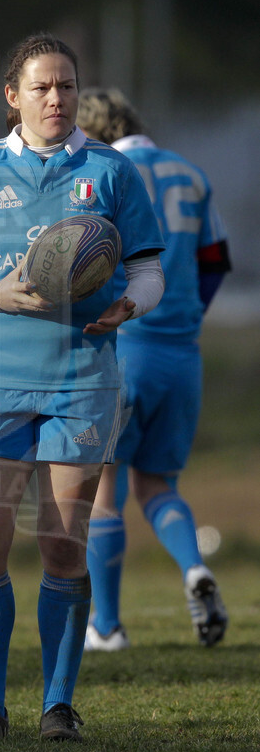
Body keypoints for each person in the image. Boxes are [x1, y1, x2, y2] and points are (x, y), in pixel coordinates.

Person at [0, 34, 165, 743]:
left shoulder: (111, 170)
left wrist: (131, 305)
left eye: (66, 86)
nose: (57, 98)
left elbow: (149, 270)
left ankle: (58, 706)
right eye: (42, 87)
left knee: (61, 544)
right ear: (12, 96)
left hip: (81, 380)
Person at [77, 87, 231, 652]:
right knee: (159, 485)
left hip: (126, 347)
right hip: (182, 355)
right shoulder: (191, 173)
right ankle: (194, 567)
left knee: (104, 488)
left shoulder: (102, 173)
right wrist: (185, 316)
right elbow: (216, 262)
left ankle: (107, 626)